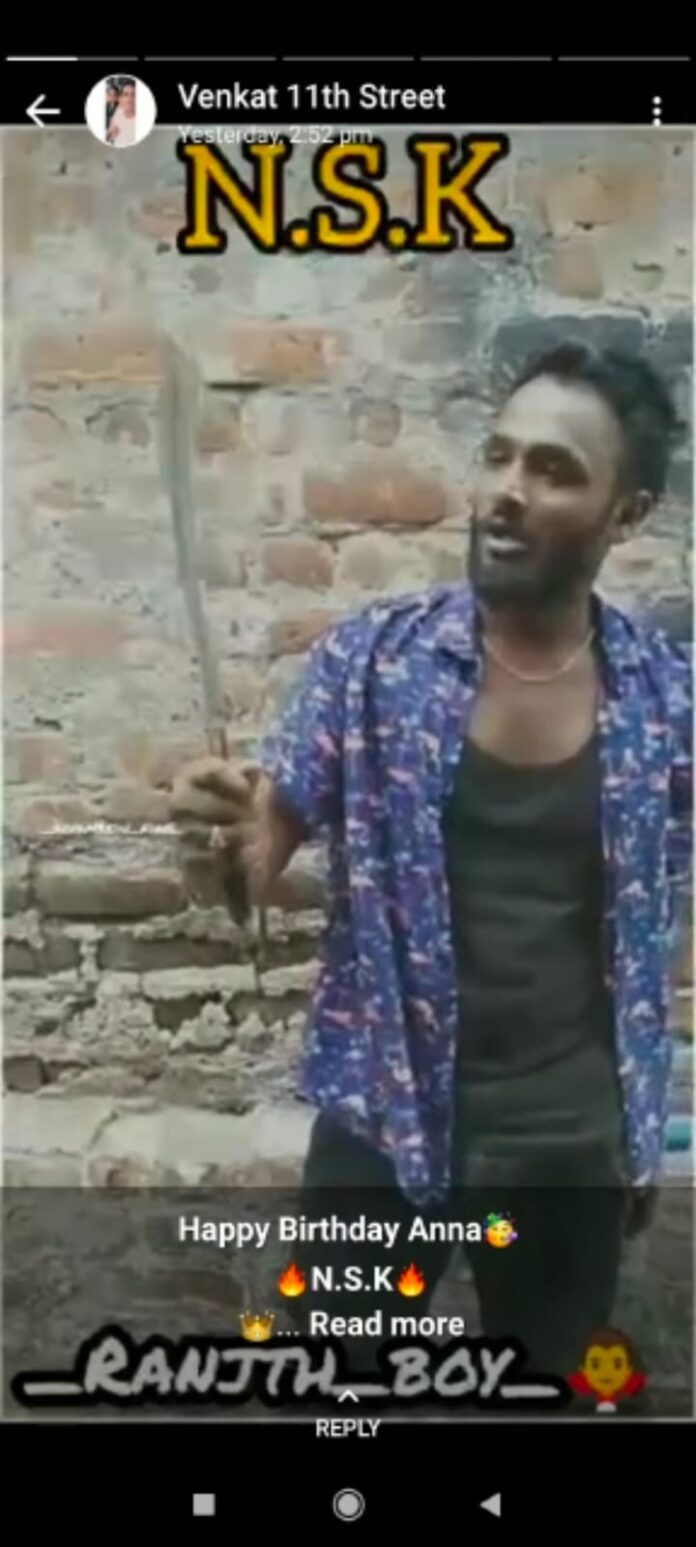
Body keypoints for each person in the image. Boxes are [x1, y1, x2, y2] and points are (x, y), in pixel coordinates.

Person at [170, 342, 692, 1383]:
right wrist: (222, 843)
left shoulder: (665, 699)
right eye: (499, 455)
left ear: (626, 515)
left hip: (567, 1142)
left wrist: (643, 1104)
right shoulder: (373, 662)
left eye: (554, 469)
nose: (508, 489)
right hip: (382, 1116)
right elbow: (256, 861)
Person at [106, 79, 137, 146]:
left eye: (133, 95)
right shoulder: (118, 112)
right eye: (126, 94)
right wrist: (109, 134)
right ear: (120, 98)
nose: (129, 98)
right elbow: (109, 134)